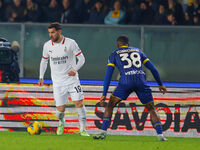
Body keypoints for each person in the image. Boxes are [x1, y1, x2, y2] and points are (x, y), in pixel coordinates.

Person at [93, 36, 167, 141]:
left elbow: (108, 74)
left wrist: (104, 94)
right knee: (151, 108)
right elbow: (153, 69)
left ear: (118, 45)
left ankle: (103, 133)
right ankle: (160, 136)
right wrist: (160, 84)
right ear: (128, 44)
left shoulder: (114, 53)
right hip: (141, 80)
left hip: (125, 82)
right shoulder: (138, 51)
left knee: (110, 105)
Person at [38, 22, 89, 136]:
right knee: (60, 110)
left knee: (79, 103)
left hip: (72, 80)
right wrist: (41, 76)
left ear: (59, 31)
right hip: (58, 82)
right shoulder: (47, 45)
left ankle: (83, 129)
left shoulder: (71, 43)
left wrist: (75, 69)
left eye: (53, 32)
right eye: (49, 33)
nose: (51, 35)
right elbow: (44, 61)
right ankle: (61, 122)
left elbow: (81, 59)